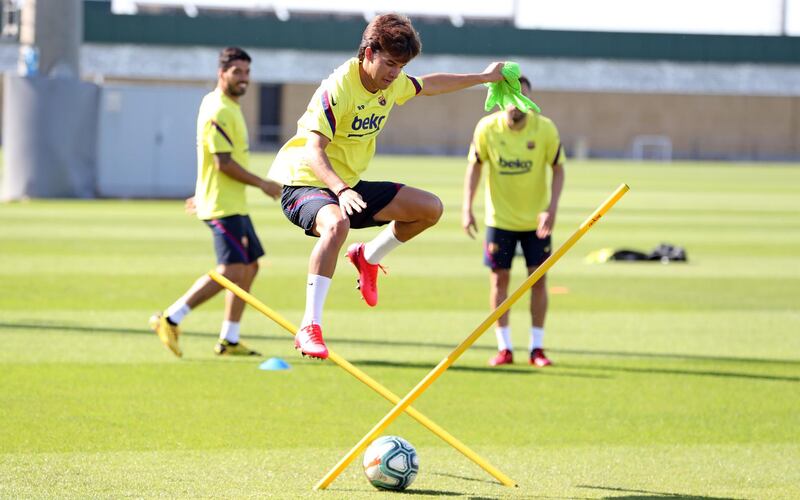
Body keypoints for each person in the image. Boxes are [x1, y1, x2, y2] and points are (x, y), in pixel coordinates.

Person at [268, 13, 505, 360]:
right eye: (390, 64)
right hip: (306, 183)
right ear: (368, 53)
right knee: (337, 223)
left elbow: (430, 85)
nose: (395, 74)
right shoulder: (337, 88)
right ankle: (309, 326)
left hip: (347, 186)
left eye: (401, 66)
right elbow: (313, 151)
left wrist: (485, 77)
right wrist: (342, 189)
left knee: (429, 209)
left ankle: (368, 257)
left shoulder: (392, 83)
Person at [149, 47, 282, 357]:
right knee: (233, 270)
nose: (244, 79)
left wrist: (202, 191)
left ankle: (229, 340)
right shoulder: (219, 109)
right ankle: (171, 317)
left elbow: (209, 160)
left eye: (247, 72)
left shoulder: (226, 105)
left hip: (229, 202)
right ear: (221, 73)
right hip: (222, 205)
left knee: (249, 267)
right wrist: (262, 183)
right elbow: (223, 163)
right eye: (237, 72)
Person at [462, 76, 565, 367]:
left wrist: (552, 208)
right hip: (500, 220)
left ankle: (537, 347)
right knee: (499, 281)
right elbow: (475, 167)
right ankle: (504, 347)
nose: (517, 104)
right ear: (501, 98)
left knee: (538, 281)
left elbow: (558, 168)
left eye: (524, 97)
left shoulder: (544, 129)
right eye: (512, 97)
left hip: (536, 222)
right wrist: (466, 207)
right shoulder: (486, 128)